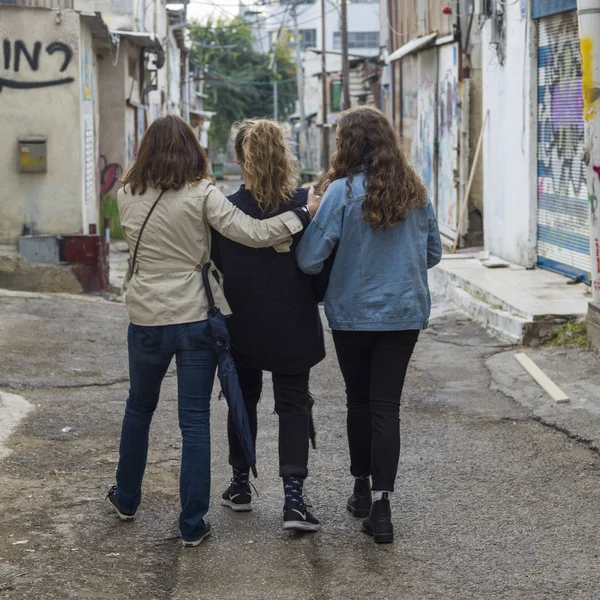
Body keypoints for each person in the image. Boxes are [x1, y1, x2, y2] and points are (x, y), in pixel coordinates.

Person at [106, 115, 320, 547]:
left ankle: (127, 498)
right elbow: (256, 233)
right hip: (194, 319)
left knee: (138, 409)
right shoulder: (203, 195)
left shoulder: (125, 193)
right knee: (194, 421)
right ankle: (191, 524)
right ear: (193, 151)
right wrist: (302, 213)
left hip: (145, 316)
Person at [296, 106, 442, 544]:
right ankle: (382, 508)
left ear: (349, 144)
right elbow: (432, 253)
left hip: (353, 316)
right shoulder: (415, 191)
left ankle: (360, 488)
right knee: (386, 406)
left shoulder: (340, 192)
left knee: (357, 400)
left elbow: (308, 259)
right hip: (403, 314)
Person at [212, 119, 326, 532]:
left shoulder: (223, 209)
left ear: (239, 159)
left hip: (241, 323)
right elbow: (319, 267)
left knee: (243, 399)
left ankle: (241, 485)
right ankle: (293, 501)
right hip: (294, 322)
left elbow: (217, 268)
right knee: (294, 403)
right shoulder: (307, 204)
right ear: (284, 156)